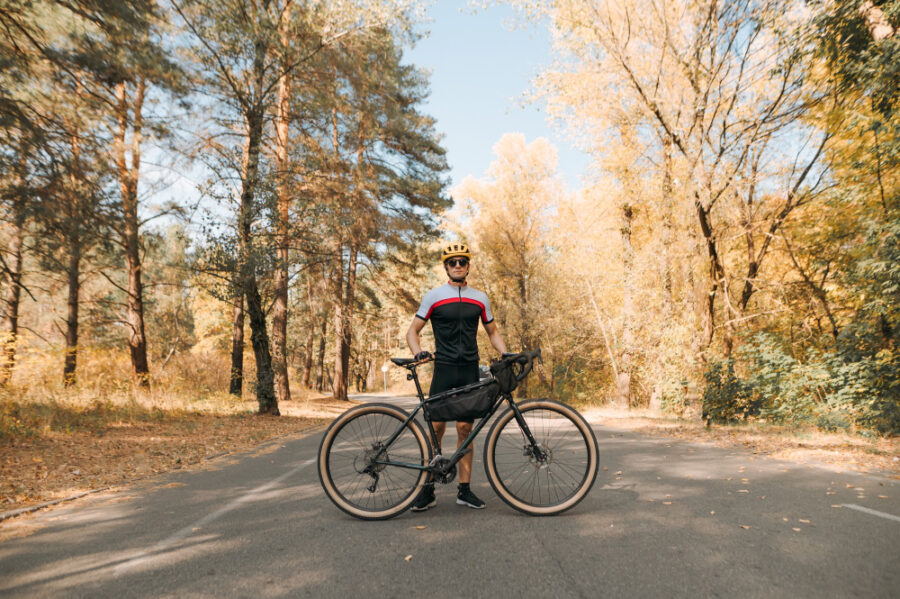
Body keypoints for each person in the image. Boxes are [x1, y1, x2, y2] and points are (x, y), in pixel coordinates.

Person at [405, 242, 507, 511]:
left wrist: (506, 355)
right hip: (444, 369)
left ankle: (464, 490)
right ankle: (428, 490)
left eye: (462, 261)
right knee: (436, 428)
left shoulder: (480, 298)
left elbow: (493, 332)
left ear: (468, 265)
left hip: (469, 370)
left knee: (465, 429)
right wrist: (417, 352)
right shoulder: (434, 296)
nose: (458, 265)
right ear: (446, 267)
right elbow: (412, 331)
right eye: (453, 262)